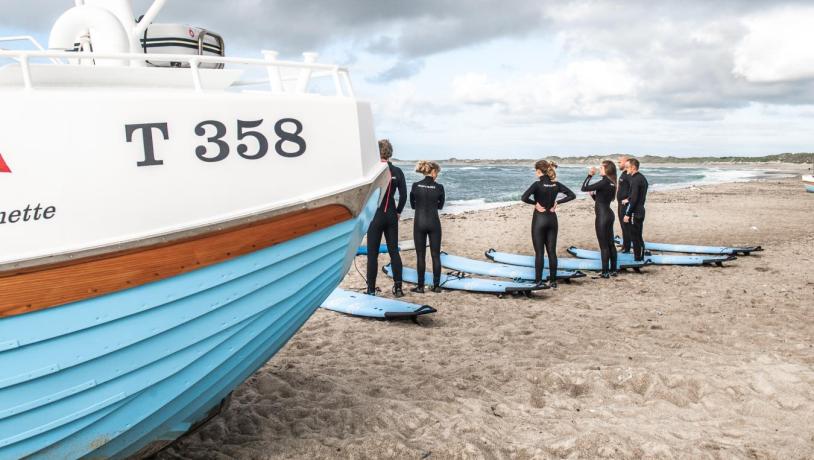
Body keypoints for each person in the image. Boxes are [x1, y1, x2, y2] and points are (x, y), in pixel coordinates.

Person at [521, 160, 576, 289]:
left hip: (539, 220)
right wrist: (558, 202)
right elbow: (572, 195)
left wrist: (535, 204)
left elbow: (524, 197)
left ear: (539, 171)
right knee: (552, 252)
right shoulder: (556, 184)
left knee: (539, 253)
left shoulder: (537, 184)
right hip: (552, 219)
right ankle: (553, 281)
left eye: (535, 170)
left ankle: (538, 281)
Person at [366, 140, 407, 297]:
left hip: (375, 216)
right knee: (394, 251)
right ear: (390, 152)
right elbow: (403, 196)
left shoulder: (373, 171)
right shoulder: (397, 171)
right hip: (391, 215)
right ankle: (398, 288)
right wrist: (398, 212)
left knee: (372, 254)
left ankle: (371, 290)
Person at [410, 161, 445, 293]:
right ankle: (436, 286)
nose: (437, 176)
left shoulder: (415, 185)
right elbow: (440, 206)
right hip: (434, 223)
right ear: (433, 172)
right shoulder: (439, 187)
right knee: (435, 255)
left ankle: (420, 287)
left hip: (419, 223)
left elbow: (412, 205)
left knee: (420, 256)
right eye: (437, 173)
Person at [581, 160, 618, 278]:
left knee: (604, 246)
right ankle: (613, 270)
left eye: (601, 168)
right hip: (609, 214)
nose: (599, 169)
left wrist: (589, 175)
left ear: (607, 170)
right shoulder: (612, 183)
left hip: (602, 216)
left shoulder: (604, 182)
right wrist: (594, 196)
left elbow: (584, 188)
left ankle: (605, 272)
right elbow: (601, 200)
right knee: (611, 244)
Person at [623, 159, 649, 261]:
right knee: (638, 235)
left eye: (627, 167)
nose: (625, 169)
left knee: (635, 237)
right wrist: (628, 199)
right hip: (641, 209)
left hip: (635, 212)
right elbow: (638, 195)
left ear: (633, 167)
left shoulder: (635, 180)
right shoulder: (641, 178)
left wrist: (627, 214)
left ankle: (637, 258)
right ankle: (640, 256)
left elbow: (634, 200)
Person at [616, 155, 632, 253]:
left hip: (625, 205)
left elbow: (634, 189)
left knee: (626, 226)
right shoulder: (624, 173)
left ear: (626, 162)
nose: (618, 164)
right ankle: (625, 245)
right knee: (623, 226)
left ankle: (627, 248)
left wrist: (628, 199)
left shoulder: (629, 175)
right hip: (620, 204)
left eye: (619, 162)